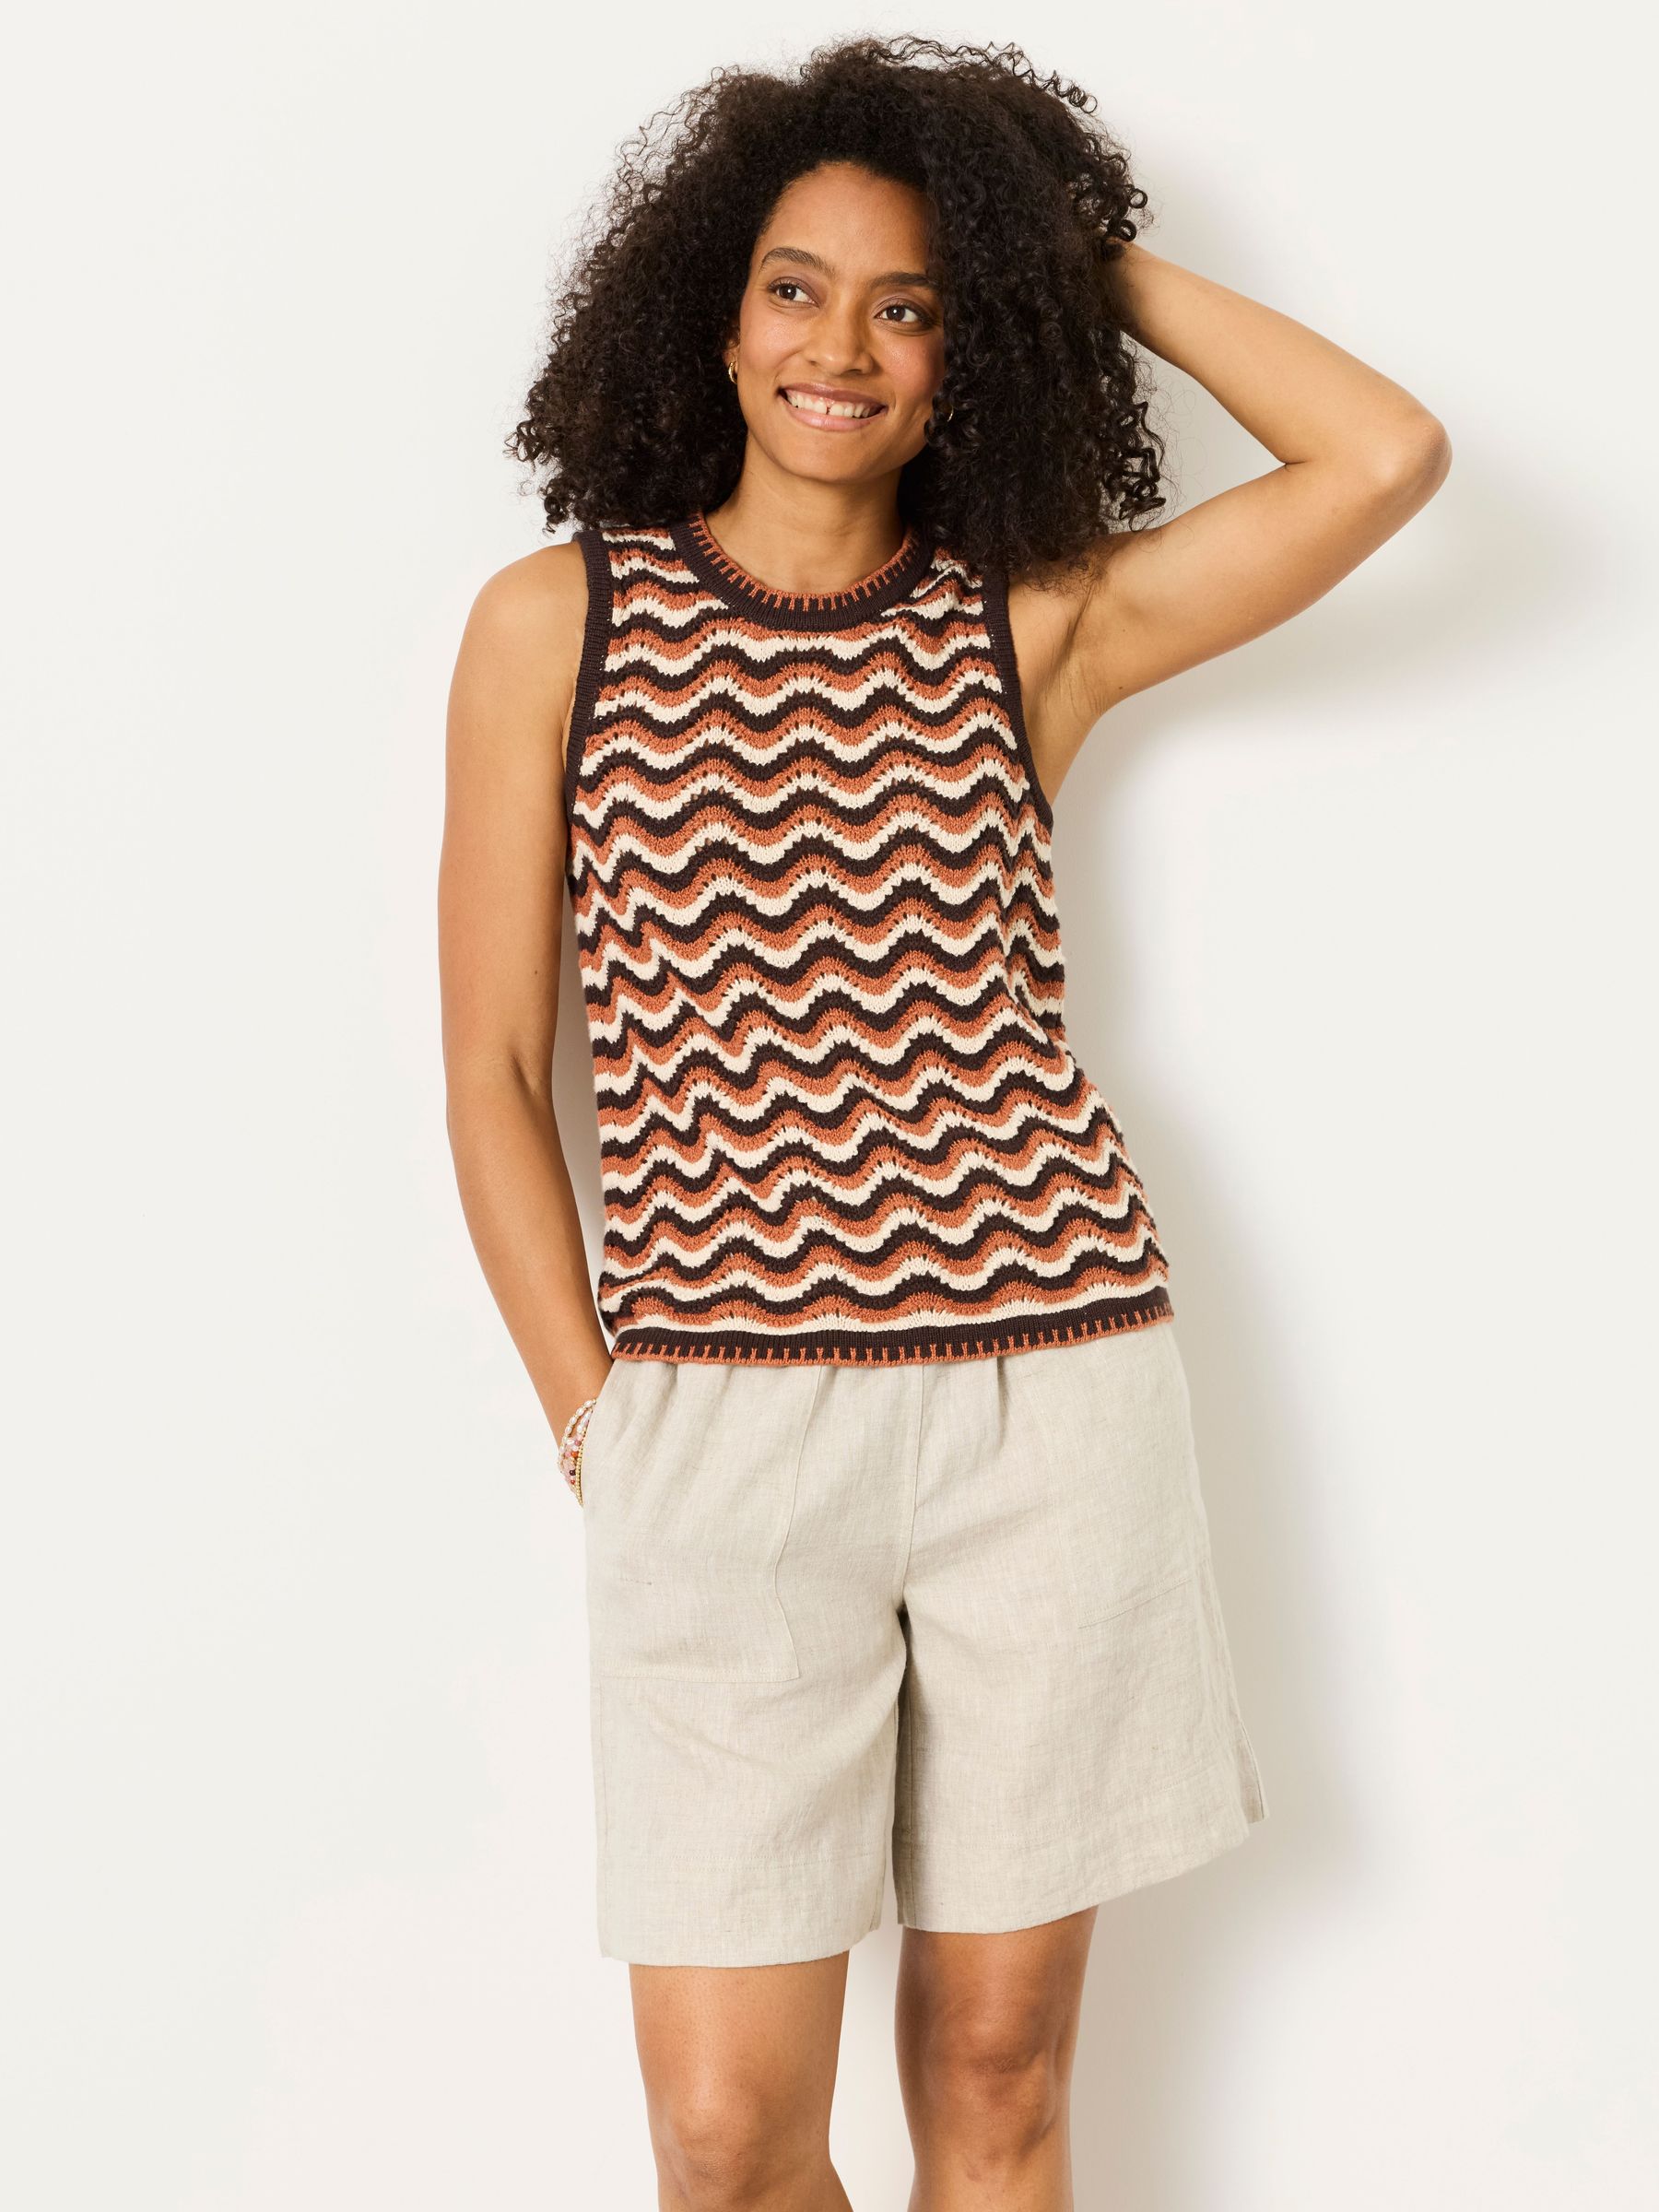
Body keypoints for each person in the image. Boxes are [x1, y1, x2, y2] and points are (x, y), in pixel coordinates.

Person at [439, 34, 1449, 2211]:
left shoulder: (1031, 621)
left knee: (999, 2080)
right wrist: (597, 1423)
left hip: (1041, 1402)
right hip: (716, 1425)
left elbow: (1384, 456)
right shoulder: (557, 625)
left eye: (910, 304)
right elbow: (495, 1073)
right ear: (712, 309)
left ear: (966, 344)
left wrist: (1072, 260)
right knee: (726, 2139)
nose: (840, 350)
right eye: (795, 289)